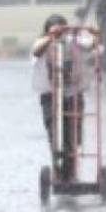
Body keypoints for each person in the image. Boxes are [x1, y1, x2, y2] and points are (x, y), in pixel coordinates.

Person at [31, 14, 86, 181]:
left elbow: (93, 45)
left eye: (60, 30)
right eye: (54, 30)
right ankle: (57, 170)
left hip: (72, 95)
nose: (58, 35)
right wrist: (50, 37)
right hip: (49, 96)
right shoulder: (41, 43)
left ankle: (71, 172)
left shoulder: (72, 43)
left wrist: (87, 35)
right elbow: (36, 51)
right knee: (53, 133)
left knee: (72, 135)